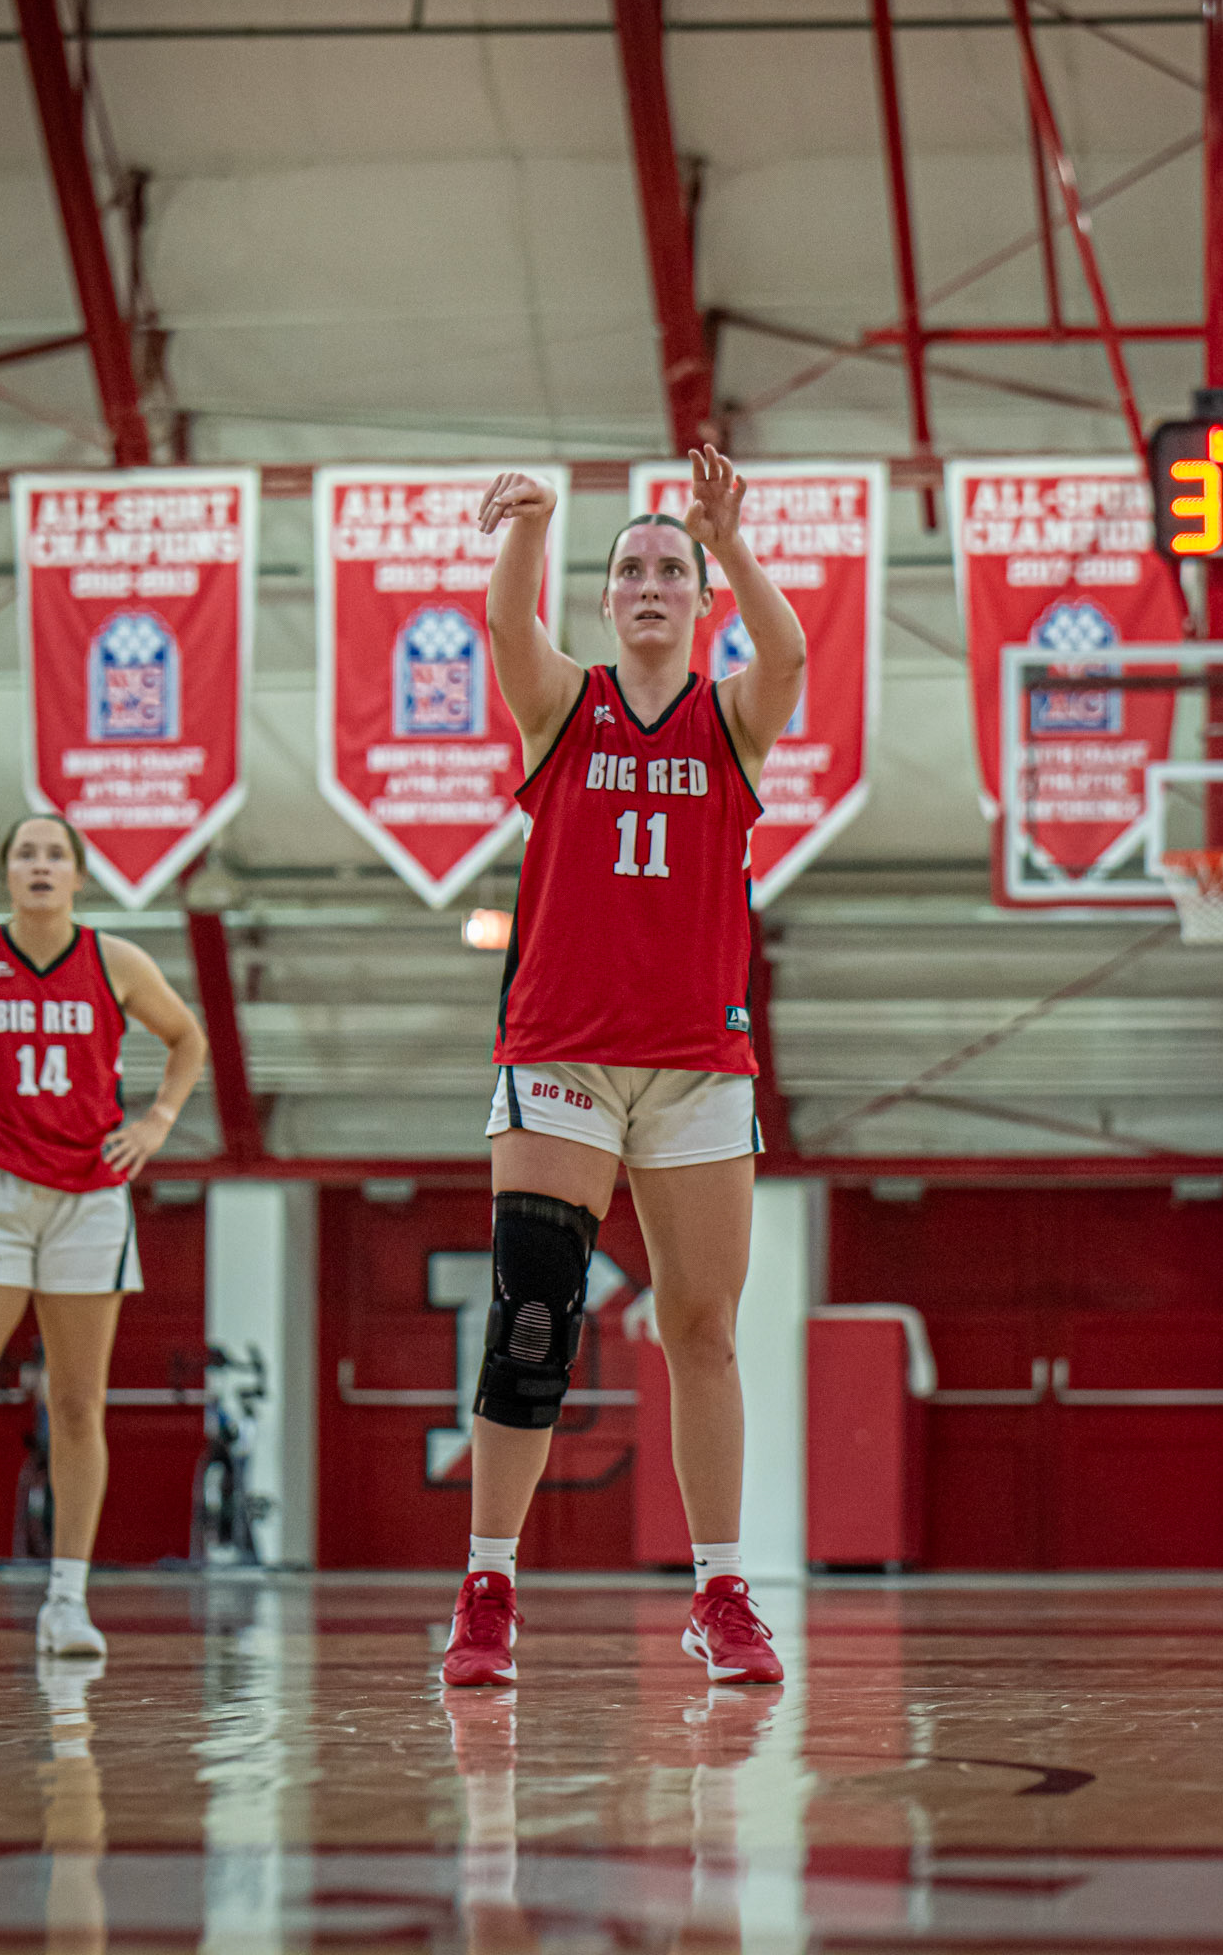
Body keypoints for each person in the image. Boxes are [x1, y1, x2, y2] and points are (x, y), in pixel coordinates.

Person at [443, 445, 805, 1688]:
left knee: (703, 1330)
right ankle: (488, 1586)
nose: (650, 583)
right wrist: (530, 525)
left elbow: (790, 659)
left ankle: (721, 1593)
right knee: (534, 1316)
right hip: (563, 1056)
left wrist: (730, 538)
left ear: (700, 601)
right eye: (631, 570)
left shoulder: (730, 720)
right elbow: (507, 625)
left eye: (671, 570)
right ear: (604, 599)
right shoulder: (565, 706)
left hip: (698, 1063)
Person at [0, 815, 207, 1659]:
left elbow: (188, 1038)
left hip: (89, 1200)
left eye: (55, 854)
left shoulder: (116, 961)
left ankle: (67, 1602)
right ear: (6, 872)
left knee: (75, 1406)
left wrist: (158, 1120)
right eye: (26, 853)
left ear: (77, 877)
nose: (40, 865)